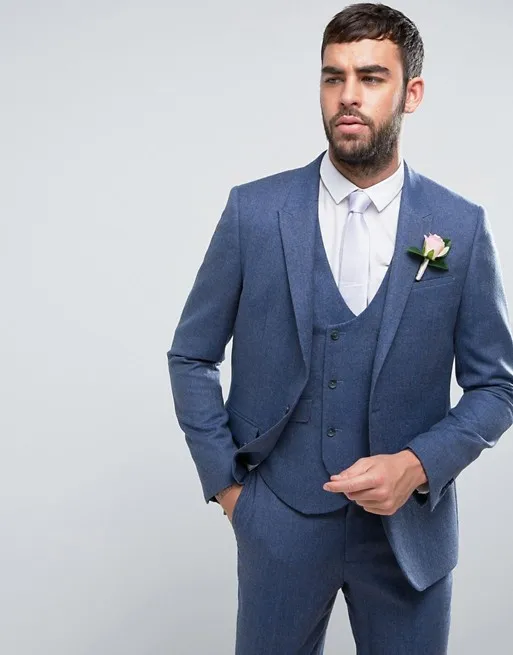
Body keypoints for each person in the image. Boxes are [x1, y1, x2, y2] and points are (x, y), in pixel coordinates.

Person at [166, 3, 513, 653]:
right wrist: (232, 491)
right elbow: (191, 355)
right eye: (333, 77)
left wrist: (417, 465)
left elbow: (497, 386)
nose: (348, 95)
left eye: (371, 77)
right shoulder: (254, 212)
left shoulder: (459, 227)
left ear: (411, 93)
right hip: (280, 522)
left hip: (409, 535)